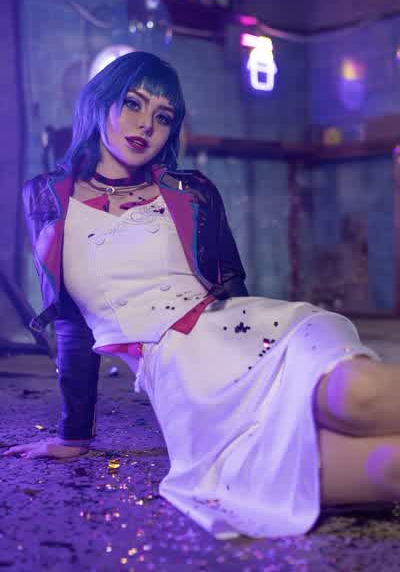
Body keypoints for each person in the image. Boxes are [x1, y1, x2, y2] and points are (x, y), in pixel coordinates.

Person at [3, 51, 400, 539]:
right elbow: (70, 322)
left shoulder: (192, 191)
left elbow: (233, 290)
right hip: (189, 393)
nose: (146, 125)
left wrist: (263, 363)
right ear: (100, 103)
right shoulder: (47, 196)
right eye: (133, 104)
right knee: (387, 467)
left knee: (359, 396)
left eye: (163, 116)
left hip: (251, 340)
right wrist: (74, 434)